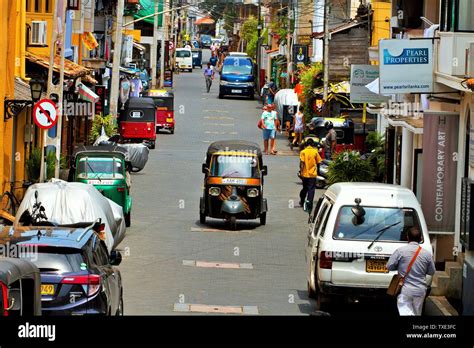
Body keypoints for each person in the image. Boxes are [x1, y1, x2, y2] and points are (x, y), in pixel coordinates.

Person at [386, 227, 436, 316]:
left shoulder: (400, 251)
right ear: (420, 238)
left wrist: (400, 266)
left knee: (405, 312)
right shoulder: (427, 254)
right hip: (420, 290)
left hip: (405, 289)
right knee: (417, 313)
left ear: (407, 237)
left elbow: (389, 266)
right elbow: (431, 272)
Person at [299, 138, 322, 212]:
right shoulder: (315, 152)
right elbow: (319, 162)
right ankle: (309, 204)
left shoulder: (303, 152)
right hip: (312, 174)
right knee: (311, 190)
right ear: (313, 144)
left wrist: (301, 172)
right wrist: (318, 171)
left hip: (305, 174)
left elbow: (302, 163)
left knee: (304, 188)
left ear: (306, 144)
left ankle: (302, 201)